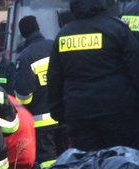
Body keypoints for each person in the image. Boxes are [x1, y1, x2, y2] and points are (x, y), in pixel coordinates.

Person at [48, 0, 139, 151]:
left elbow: (55, 79)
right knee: (120, 162)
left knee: (87, 164)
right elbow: (135, 69)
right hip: (118, 111)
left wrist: (59, 113)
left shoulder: (64, 35)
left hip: (79, 114)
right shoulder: (117, 29)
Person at [14, 15, 66, 169]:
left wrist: (23, 106)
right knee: (66, 156)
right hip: (64, 114)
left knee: (47, 160)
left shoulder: (25, 56)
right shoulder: (55, 46)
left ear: (23, 34)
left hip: (41, 121)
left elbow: (24, 94)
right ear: (38, 28)